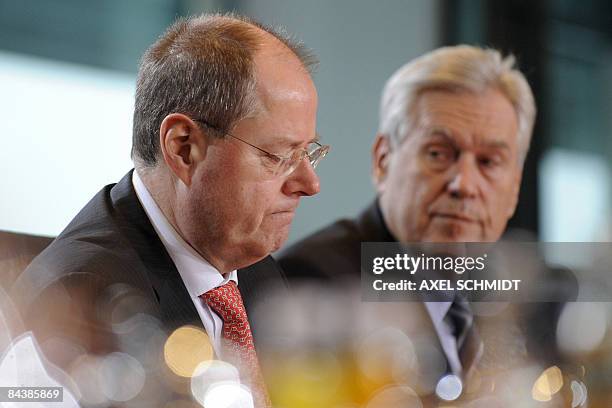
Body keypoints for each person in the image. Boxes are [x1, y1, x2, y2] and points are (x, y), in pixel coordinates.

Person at [11, 14, 328, 407]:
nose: (309, 184)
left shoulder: (252, 268)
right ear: (183, 148)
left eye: (308, 152)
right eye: (279, 155)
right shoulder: (75, 307)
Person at [279, 45, 543, 397]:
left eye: (489, 162)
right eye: (438, 154)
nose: (464, 184)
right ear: (383, 161)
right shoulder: (317, 280)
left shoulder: (509, 296)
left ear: (515, 187)